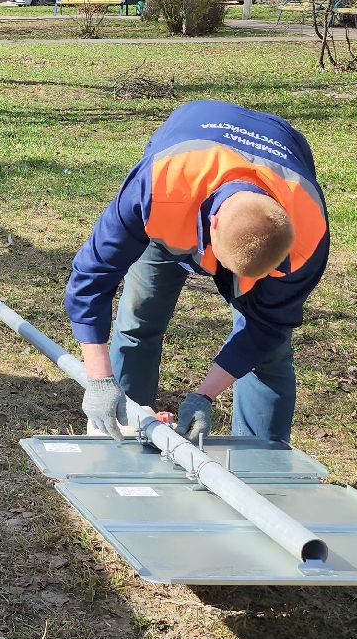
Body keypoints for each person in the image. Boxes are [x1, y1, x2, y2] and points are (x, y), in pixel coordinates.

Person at [66, 99, 330, 445]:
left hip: (269, 158)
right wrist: (100, 380)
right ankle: (122, 437)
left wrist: (205, 395)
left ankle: (259, 466)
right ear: (213, 225)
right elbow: (91, 278)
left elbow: (269, 325)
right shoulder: (160, 184)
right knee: (140, 317)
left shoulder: (308, 231)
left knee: (269, 353)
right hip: (180, 199)